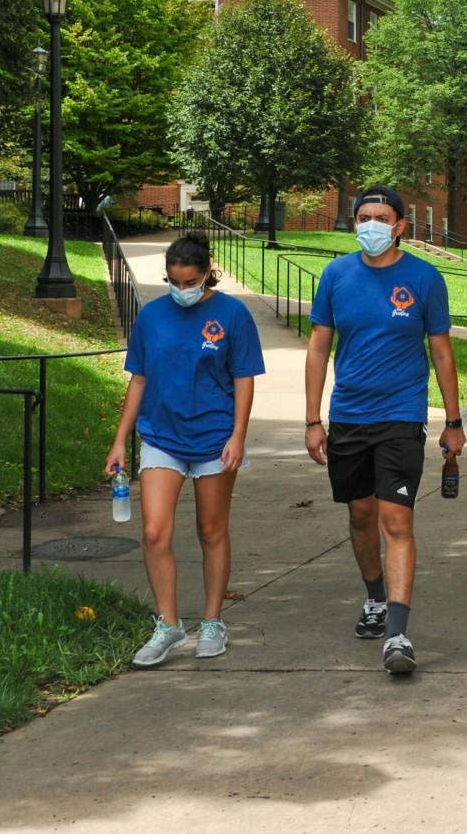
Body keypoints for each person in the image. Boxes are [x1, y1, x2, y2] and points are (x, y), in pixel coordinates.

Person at [304, 186, 464, 675]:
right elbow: (317, 349)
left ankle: (397, 633)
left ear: (400, 227)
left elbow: (440, 352)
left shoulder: (424, 278)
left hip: (401, 414)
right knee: (359, 515)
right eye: (364, 216)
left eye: (381, 217)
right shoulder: (335, 276)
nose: (371, 224)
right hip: (348, 415)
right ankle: (374, 596)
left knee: (396, 522)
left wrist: (453, 423)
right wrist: (313, 419)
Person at [106, 232, 264, 668]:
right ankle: (169, 625)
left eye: (190, 281)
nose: (181, 290)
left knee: (212, 531)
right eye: (173, 282)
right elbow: (138, 378)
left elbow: (244, 378)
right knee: (155, 532)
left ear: (206, 271)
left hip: (214, 436)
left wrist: (237, 435)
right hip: (161, 434)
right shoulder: (153, 316)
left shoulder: (232, 314)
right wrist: (120, 440)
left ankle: (213, 621)